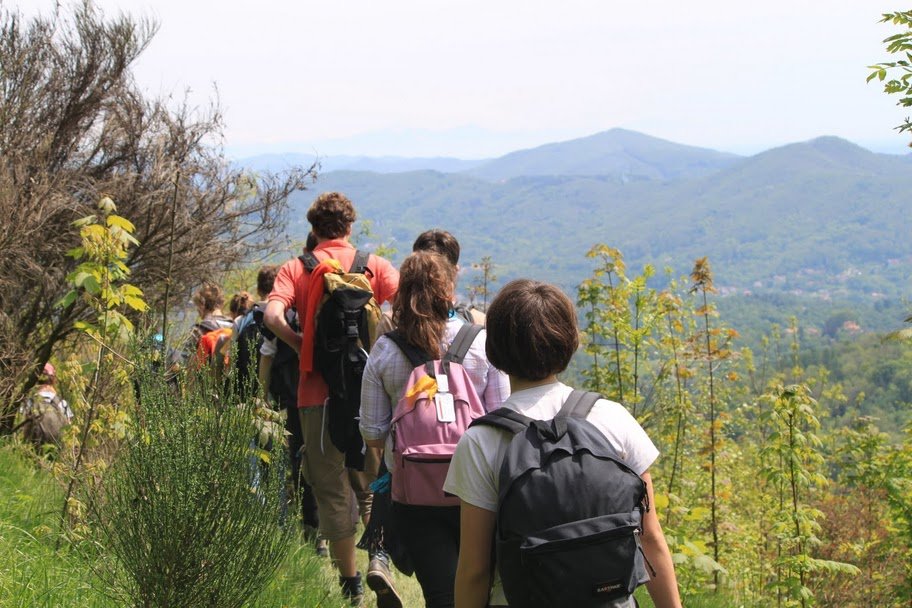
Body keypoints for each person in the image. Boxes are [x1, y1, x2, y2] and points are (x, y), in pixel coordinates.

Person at [443, 279, 682, 608]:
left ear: (494, 351)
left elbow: (474, 568)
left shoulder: (482, 441)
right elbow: (651, 537)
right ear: (570, 342)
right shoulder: (613, 418)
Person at [264, 192, 400, 607]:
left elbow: (271, 316)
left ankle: (351, 584)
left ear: (314, 227)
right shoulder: (373, 265)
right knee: (373, 483)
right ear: (349, 226)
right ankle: (379, 559)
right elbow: (405, 304)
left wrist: (300, 340)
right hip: (370, 394)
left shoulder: (296, 268)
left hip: (315, 393)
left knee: (331, 487)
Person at [360, 252, 509, 608]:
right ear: (448, 291)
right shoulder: (480, 343)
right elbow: (503, 420)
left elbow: (372, 432)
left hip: (415, 495)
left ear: (401, 294)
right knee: (481, 589)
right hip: (479, 490)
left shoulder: (385, 350)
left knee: (441, 596)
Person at [19, 362, 73, 448]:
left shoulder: (29, 402)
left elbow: (20, 429)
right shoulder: (62, 403)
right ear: (53, 379)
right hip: (56, 453)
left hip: (31, 451)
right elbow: (70, 434)